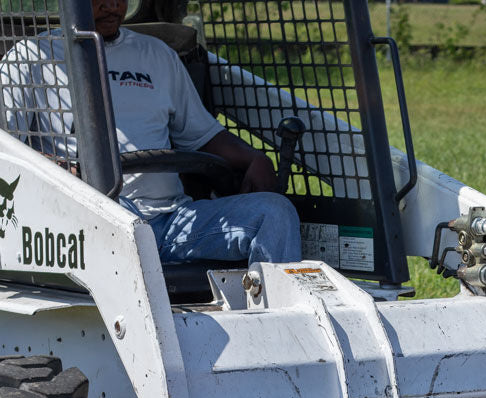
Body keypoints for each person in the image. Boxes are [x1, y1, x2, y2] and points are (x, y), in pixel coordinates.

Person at [0, 0, 302, 266]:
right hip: (92, 220)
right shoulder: (31, 58)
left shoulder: (156, 55)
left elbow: (203, 135)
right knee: (115, 208)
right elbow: (6, 151)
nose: (112, 5)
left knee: (274, 213)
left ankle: (272, 320)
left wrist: (254, 158)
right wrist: (63, 170)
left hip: (173, 221)